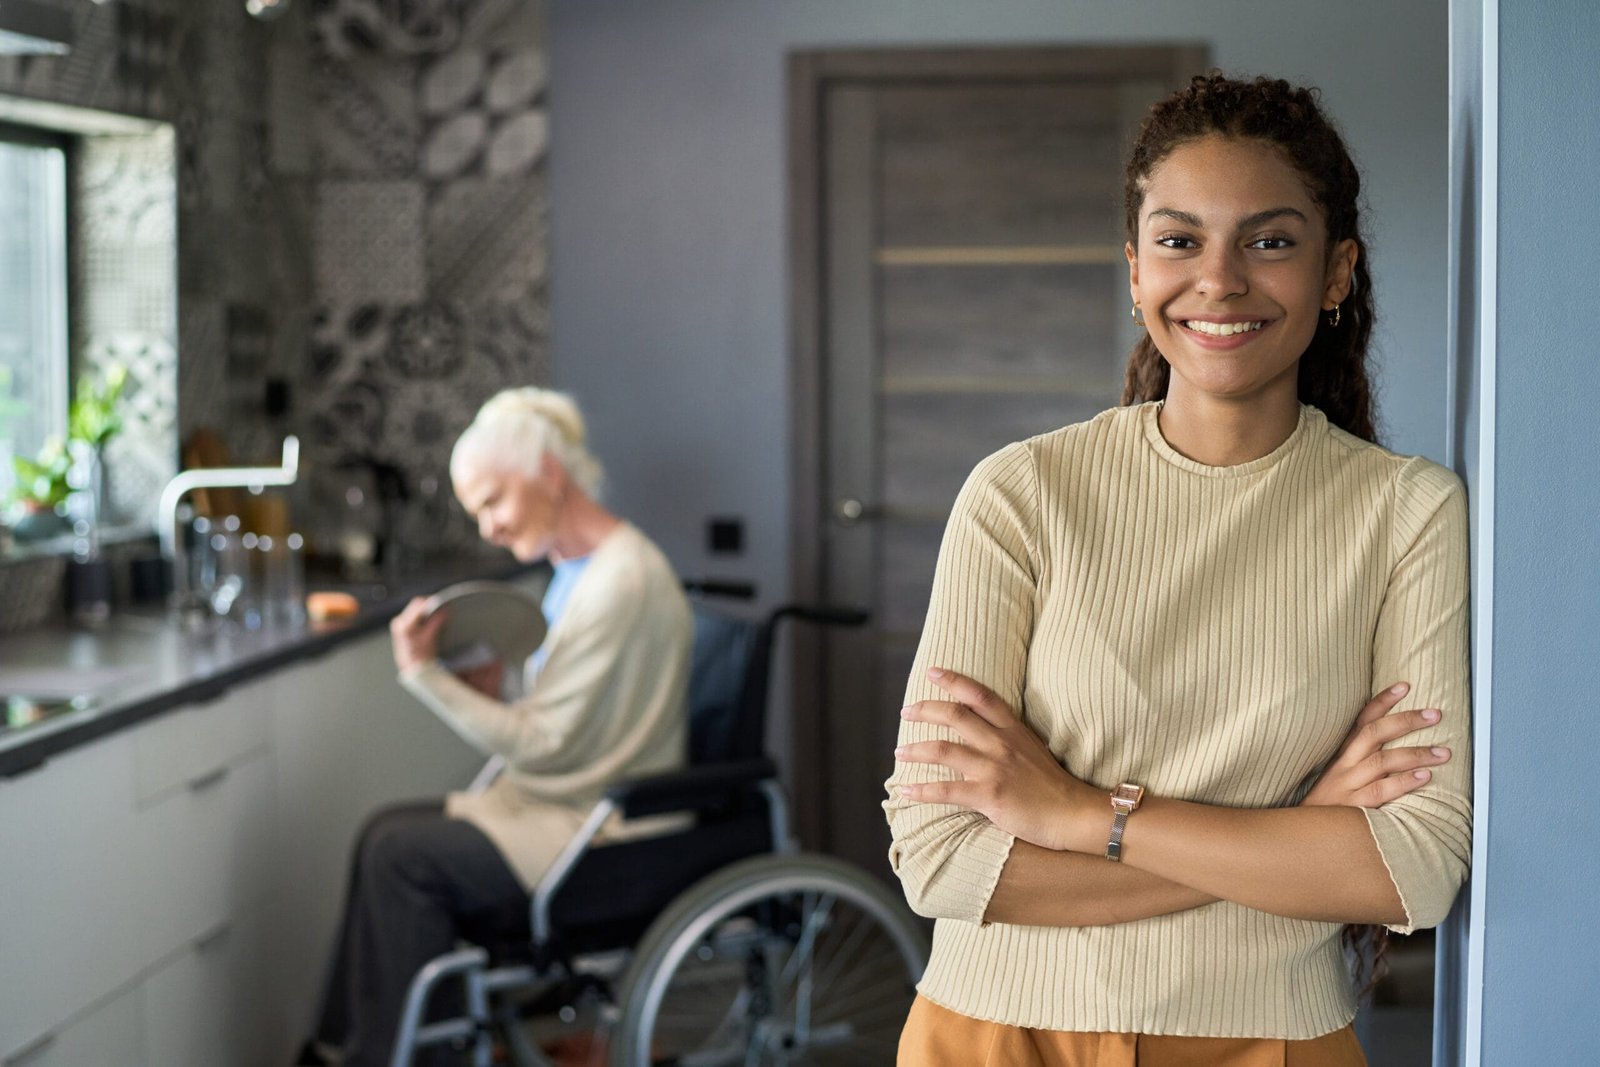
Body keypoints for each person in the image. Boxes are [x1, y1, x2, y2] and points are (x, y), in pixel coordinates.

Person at [884, 73, 1471, 1065]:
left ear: (1336, 273)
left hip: (1269, 1039)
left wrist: (1083, 816)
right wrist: (1296, 834)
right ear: (1132, 269)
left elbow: (1409, 867)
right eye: (1178, 239)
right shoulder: (1020, 494)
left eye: (1270, 241)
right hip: (991, 1034)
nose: (1220, 279)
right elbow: (939, 860)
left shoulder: (1404, 512)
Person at [299, 387, 692, 1067]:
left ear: (547, 472)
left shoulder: (619, 582)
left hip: (602, 830)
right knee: (382, 830)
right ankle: (348, 1050)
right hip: (565, 805)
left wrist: (427, 676)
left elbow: (541, 742)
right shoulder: (580, 570)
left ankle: (394, 1055)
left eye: (492, 501)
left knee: (402, 857)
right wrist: (501, 689)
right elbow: (570, 709)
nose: (487, 528)